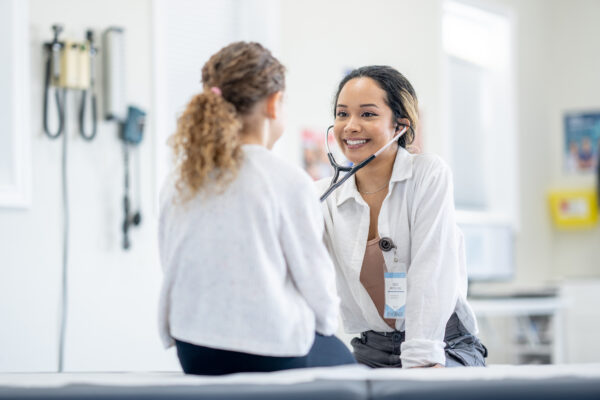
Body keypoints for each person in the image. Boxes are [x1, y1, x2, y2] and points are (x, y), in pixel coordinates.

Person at [158, 42, 355, 375]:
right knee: (350, 367)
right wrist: (323, 327)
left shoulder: (179, 178)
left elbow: (170, 262)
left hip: (194, 351)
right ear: (274, 103)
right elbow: (316, 284)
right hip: (270, 351)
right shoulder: (287, 179)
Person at [316, 65, 487, 369]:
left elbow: (431, 270)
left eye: (367, 114)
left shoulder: (427, 175)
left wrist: (423, 357)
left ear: (400, 126)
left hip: (442, 342)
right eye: (342, 114)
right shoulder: (323, 196)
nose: (351, 126)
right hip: (372, 348)